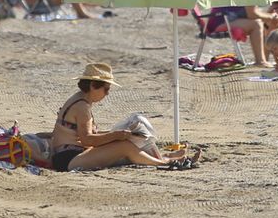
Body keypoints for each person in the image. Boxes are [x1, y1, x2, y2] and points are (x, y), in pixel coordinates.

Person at [49, 63, 190, 170]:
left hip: (66, 155)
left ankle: (163, 157)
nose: (107, 94)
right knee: (125, 146)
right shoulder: (82, 107)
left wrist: (118, 134)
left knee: (127, 139)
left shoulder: (79, 100)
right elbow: (87, 140)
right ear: (93, 85)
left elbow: (85, 136)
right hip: (68, 159)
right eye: (106, 89)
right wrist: (116, 135)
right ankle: (163, 162)